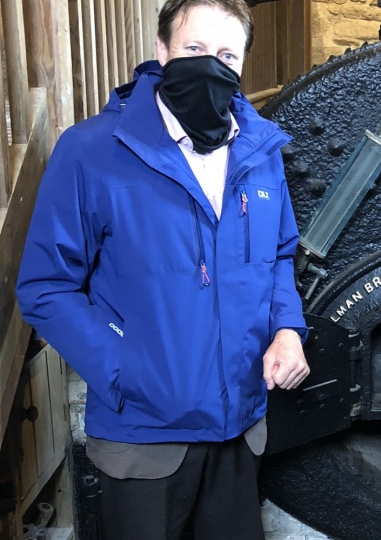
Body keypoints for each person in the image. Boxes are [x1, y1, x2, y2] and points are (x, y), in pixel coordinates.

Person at [15, 1, 310, 539]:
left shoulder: (261, 152)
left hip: (239, 429)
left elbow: (278, 256)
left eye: (226, 54)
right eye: (194, 49)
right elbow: (45, 286)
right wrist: (123, 369)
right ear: (161, 51)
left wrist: (288, 331)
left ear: (243, 64)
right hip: (143, 438)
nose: (209, 64)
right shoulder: (90, 151)